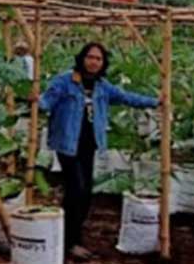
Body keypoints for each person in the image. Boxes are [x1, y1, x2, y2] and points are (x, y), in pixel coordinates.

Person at [38, 41, 160, 260]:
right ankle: (69, 241)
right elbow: (47, 101)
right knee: (76, 189)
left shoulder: (102, 86)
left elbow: (126, 97)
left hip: (89, 144)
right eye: (90, 57)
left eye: (98, 59)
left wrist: (156, 102)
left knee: (84, 194)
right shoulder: (65, 81)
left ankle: (71, 236)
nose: (94, 62)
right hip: (67, 144)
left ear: (103, 63)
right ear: (82, 58)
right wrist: (36, 102)